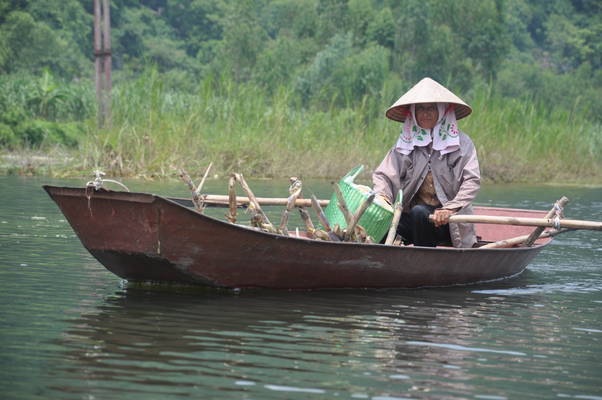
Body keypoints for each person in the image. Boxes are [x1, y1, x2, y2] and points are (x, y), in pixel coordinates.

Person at [372, 77, 480, 248]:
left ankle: (423, 260)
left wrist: (450, 209)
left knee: (420, 212)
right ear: (413, 113)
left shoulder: (461, 143)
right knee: (380, 222)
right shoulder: (406, 143)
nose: (425, 113)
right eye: (420, 109)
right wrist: (383, 197)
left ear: (443, 111)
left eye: (431, 108)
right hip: (412, 219)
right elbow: (383, 175)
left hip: (448, 222)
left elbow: (471, 181)